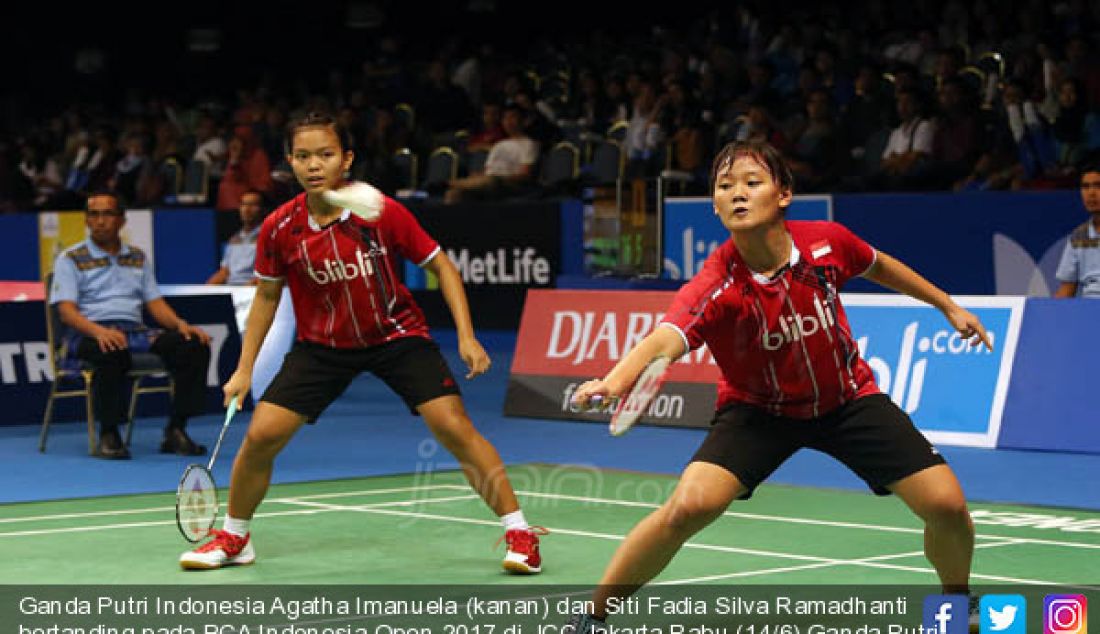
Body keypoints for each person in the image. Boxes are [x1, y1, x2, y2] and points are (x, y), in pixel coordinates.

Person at [567, 140, 992, 632]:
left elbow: (879, 264)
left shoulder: (826, 243)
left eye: (752, 182)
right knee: (688, 507)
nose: (737, 194)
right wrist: (616, 379)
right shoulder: (716, 284)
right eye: (725, 187)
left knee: (947, 505)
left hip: (846, 399)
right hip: (759, 412)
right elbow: (667, 336)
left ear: (784, 194)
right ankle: (594, 616)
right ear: (714, 204)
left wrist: (947, 305)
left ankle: (955, 605)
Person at [180, 112, 545, 573]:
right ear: (290, 161)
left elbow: (443, 267)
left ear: (346, 159)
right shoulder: (278, 227)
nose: (315, 165)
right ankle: (235, 537)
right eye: (304, 156)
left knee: (452, 426)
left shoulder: (379, 211)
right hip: (323, 347)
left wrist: (468, 337)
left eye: (326, 155)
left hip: (396, 335)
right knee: (261, 436)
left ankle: (520, 532)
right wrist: (244, 368)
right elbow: (268, 296)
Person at [50, 191, 213, 459]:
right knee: (111, 348)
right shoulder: (70, 258)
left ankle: (176, 429)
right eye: (94, 215)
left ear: (122, 220)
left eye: (108, 214)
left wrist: (181, 325)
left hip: (134, 332)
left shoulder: (137, 257)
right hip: (89, 332)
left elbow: (155, 304)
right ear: (87, 221)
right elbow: (67, 313)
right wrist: (100, 332)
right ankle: (109, 432)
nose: (100, 221)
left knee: (193, 345)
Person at [444, 104, 538, 204]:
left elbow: (525, 175)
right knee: (454, 194)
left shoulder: (529, 144)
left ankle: (447, 183)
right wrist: (477, 176)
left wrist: (500, 177)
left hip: (512, 185)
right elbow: (488, 170)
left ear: (523, 120)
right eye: (505, 118)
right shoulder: (499, 145)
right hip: (489, 183)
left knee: (491, 181)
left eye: (513, 117)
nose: (508, 122)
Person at [1054, 163, 1100, 298]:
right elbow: (1066, 290)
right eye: (1086, 187)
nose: (1091, 193)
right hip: (1088, 310)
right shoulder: (1078, 236)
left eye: (1098, 185)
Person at [206, 190, 265, 286]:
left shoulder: (268, 237)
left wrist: (246, 289)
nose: (247, 209)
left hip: (253, 290)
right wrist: (207, 288)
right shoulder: (234, 240)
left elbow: (267, 275)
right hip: (231, 289)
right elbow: (225, 271)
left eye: (252, 205)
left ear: (262, 209)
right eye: (243, 204)